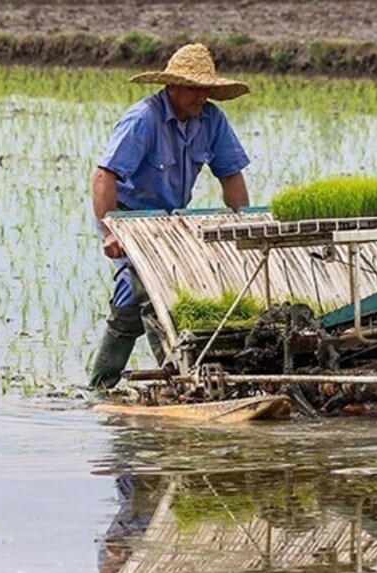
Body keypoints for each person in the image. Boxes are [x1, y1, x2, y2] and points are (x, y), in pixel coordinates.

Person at [89, 42, 252, 389]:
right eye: (194, 89)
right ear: (172, 86)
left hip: (170, 222)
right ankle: (179, 378)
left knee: (139, 299)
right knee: (147, 291)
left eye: (206, 89)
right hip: (130, 221)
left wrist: (244, 224)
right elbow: (105, 176)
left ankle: (101, 386)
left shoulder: (210, 120)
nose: (201, 97)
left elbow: (231, 175)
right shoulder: (143, 120)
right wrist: (110, 233)